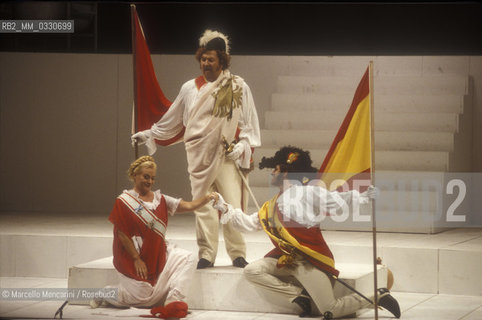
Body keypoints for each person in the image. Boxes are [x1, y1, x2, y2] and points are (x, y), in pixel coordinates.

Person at [214, 146, 401, 319]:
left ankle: (377, 296)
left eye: (276, 169)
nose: (272, 172)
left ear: (286, 172)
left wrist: (363, 197)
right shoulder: (270, 205)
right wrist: (224, 208)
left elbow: (335, 201)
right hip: (285, 259)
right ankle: (299, 296)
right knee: (252, 270)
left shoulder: (307, 193)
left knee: (330, 310)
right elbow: (248, 223)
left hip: (310, 261)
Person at [132, 29, 261, 270]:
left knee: (231, 205)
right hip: (197, 157)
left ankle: (237, 254)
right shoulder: (189, 88)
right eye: (203, 59)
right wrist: (150, 133)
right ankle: (206, 254)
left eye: (211, 59)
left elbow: (249, 124)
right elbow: (173, 120)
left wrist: (242, 145)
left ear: (221, 60)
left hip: (225, 158)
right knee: (203, 207)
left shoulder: (237, 86)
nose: (206, 63)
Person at [93, 156, 219, 319]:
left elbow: (188, 205)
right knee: (143, 297)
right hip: (134, 258)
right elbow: (122, 234)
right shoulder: (124, 201)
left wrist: (207, 197)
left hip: (158, 254)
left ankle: (173, 302)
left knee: (188, 258)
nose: (150, 181)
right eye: (146, 177)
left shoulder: (161, 199)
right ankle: (105, 293)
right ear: (135, 175)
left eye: (153, 178)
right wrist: (136, 259)